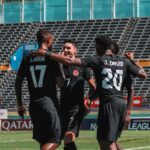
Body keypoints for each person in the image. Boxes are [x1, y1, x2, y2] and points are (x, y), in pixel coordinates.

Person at [33, 35, 147, 150]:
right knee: (104, 140)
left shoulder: (98, 60)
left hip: (108, 104)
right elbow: (143, 74)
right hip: (120, 103)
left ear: (102, 47)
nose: (95, 49)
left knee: (107, 141)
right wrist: (132, 60)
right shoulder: (124, 62)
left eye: (96, 46)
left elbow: (69, 61)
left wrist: (46, 53)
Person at [15, 29, 64, 150]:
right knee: (55, 140)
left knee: (44, 140)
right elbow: (61, 84)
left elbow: (18, 82)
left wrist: (20, 104)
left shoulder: (28, 57)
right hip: (48, 104)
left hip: (34, 105)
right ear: (48, 40)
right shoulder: (52, 57)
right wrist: (61, 64)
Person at [59, 39, 96, 150]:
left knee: (69, 138)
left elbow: (93, 87)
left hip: (76, 108)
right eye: (64, 48)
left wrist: (89, 99)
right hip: (61, 107)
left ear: (75, 51)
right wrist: (59, 64)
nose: (65, 50)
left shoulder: (82, 66)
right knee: (62, 141)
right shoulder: (60, 66)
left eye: (68, 48)